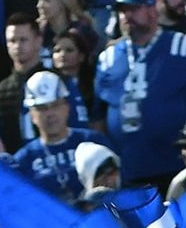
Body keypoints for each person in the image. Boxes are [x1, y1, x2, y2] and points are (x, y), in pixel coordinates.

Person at [94, 0, 186, 184]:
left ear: (153, 10)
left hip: (176, 164)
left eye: (134, 9)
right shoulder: (108, 58)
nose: (126, 16)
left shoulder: (185, 46)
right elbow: (98, 115)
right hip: (129, 168)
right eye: (122, 11)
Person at [9, 69, 111, 202]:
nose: (50, 113)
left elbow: (116, 186)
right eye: (42, 108)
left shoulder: (93, 142)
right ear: (32, 115)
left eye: (55, 105)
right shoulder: (24, 159)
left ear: (67, 107)